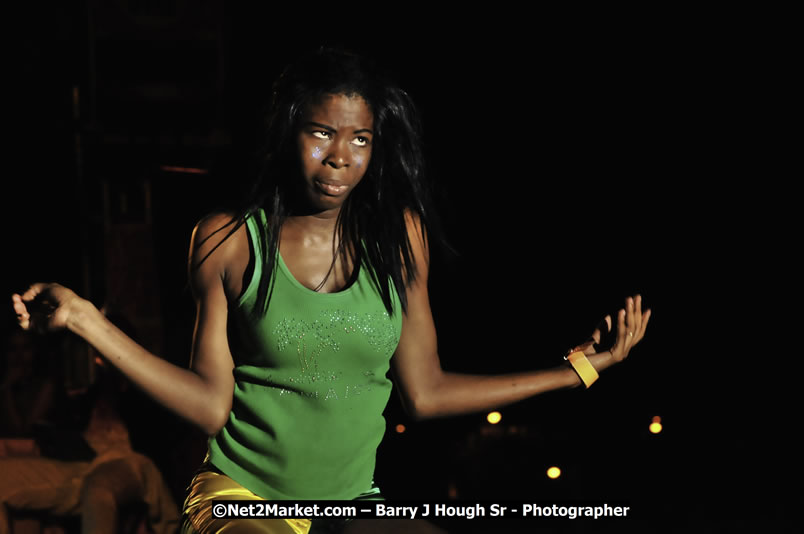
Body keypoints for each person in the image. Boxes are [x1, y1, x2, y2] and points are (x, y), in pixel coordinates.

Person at [11, 47, 651, 533]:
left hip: (346, 506)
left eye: (360, 138)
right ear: (288, 132)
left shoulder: (401, 240)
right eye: (321, 132)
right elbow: (210, 406)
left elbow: (424, 394)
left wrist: (580, 371)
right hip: (240, 499)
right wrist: (86, 320)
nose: (340, 156)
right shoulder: (229, 241)